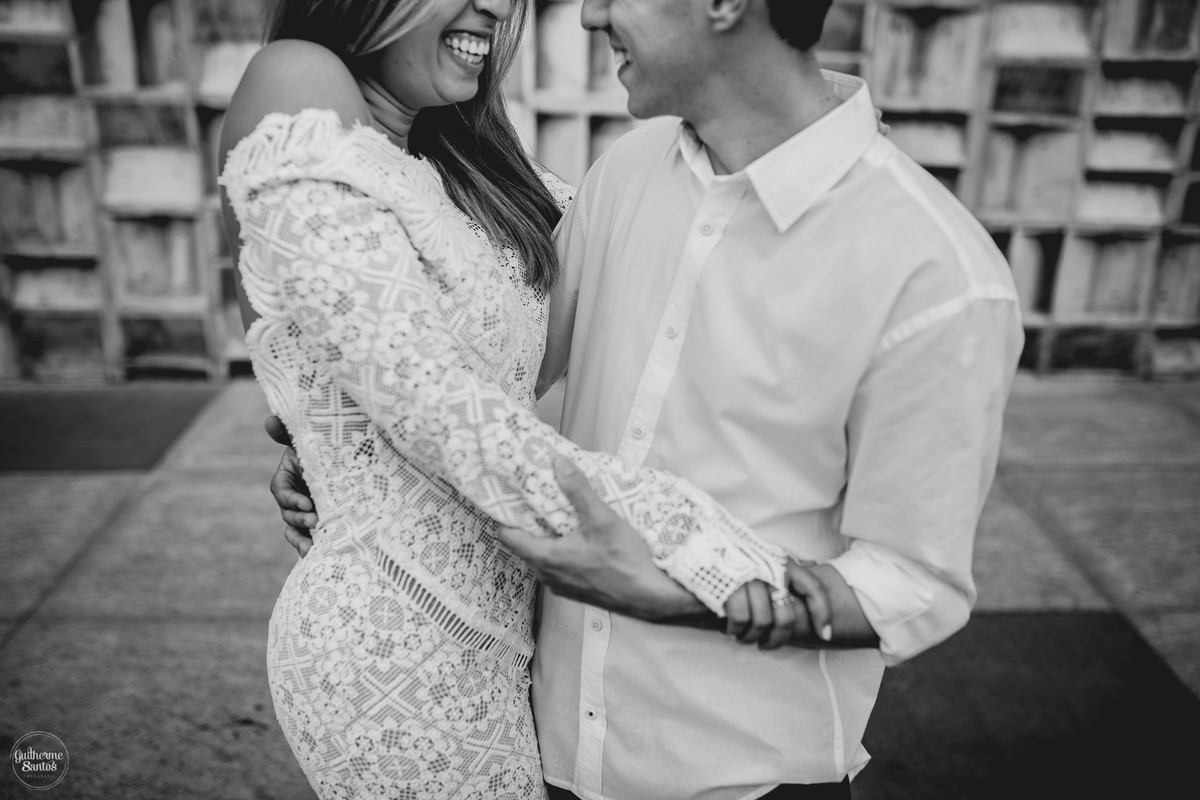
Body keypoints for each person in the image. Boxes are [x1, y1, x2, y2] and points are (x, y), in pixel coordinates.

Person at [271, 0, 1025, 798]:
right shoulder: (626, 172)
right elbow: (507, 379)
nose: (592, 15)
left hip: (741, 784)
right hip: (539, 750)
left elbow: (915, 584)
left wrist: (680, 591)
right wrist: (345, 450)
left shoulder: (937, 276)